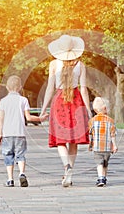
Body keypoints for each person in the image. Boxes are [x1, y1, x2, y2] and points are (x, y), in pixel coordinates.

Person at [40, 35, 92, 187]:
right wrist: (88, 110)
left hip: (59, 101)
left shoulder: (53, 64)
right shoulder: (80, 65)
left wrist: (43, 109)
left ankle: (66, 167)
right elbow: (83, 89)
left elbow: (50, 88)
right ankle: (70, 171)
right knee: (74, 141)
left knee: (60, 140)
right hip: (76, 102)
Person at [0, 75, 48, 187]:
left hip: (7, 134)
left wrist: (0, 133)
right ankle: (22, 173)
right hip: (20, 133)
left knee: (8, 155)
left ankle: (10, 179)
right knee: (21, 155)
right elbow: (29, 118)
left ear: (7, 87)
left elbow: (1, 119)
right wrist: (40, 118)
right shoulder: (23, 100)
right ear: (20, 87)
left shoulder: (3, 101)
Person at [88, 97, 118, 187]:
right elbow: (113, 135)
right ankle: (104, 177)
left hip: (97, 147)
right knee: (105, 163)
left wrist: (90, 145)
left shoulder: (92, 121)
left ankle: (101, 178)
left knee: (99, 163)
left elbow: (90, 134)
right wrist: (114, 146)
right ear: (105, 108)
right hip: (107, 148)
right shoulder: (110, 121)